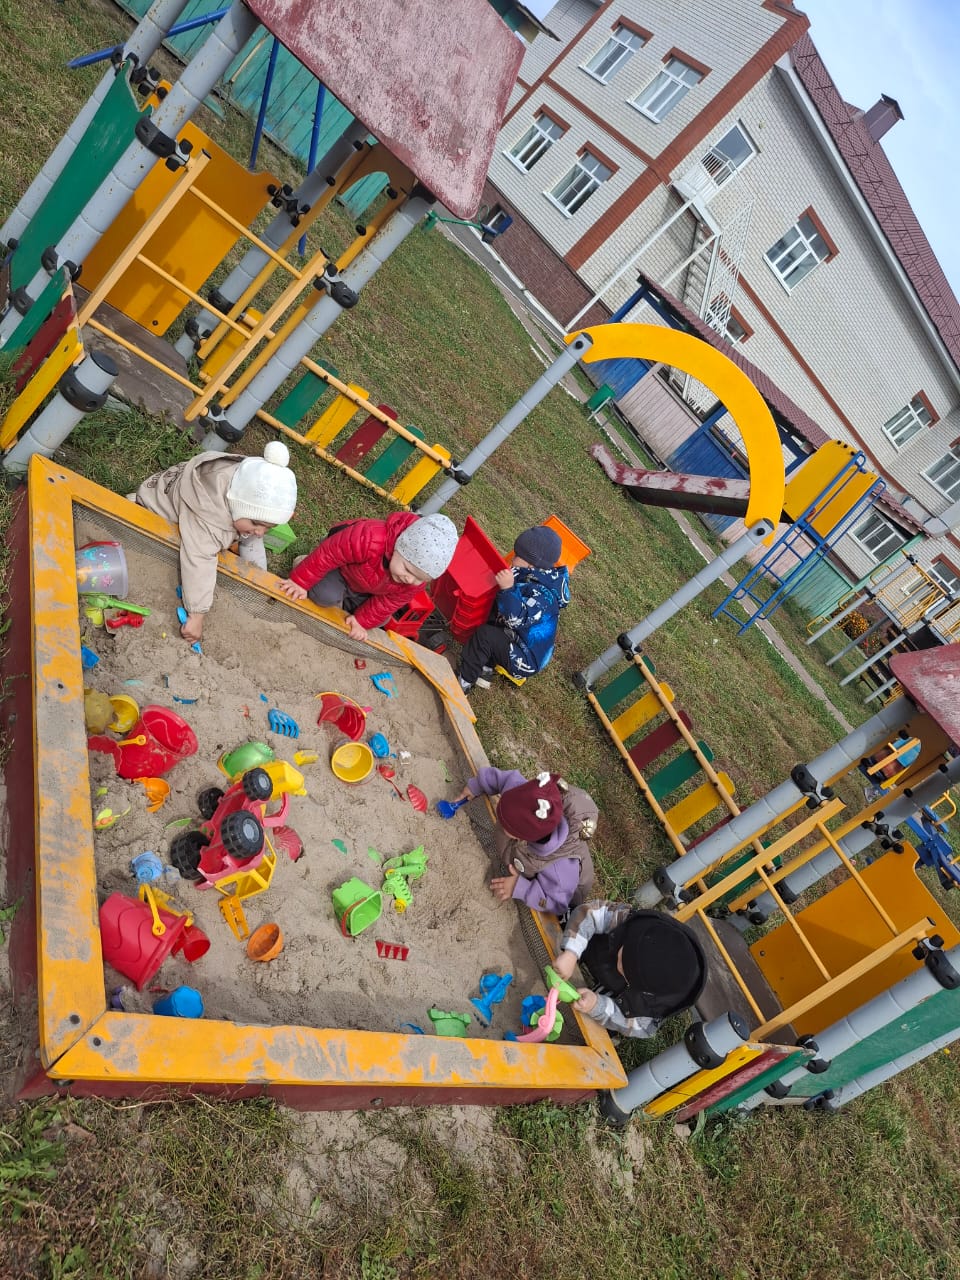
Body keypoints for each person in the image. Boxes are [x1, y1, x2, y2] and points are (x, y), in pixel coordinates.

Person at [131, 440, 297, 645]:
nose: (261, 532)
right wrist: (196, 615)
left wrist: (259, 579)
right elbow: (199, 562)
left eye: (268, 528)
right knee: (194, 551)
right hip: (155, 509)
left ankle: (256, 584)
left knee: (250, 536)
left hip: (181, 493)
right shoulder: (208, 519)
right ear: (238, 506)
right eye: (257, 524)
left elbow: (254, 530)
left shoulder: (245, 479)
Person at [278, 512, 458, 642]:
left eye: (419, 579)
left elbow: (388, 603)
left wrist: (360, 621)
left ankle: (345, 604)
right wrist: (300, 582)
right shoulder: (371, 537)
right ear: (399, 547)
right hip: (342, 571)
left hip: (369, 588)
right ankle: (303, 563)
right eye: (407, 570)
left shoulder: (413, 580)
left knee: (382, 618)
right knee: (323, 596)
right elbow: (329, 554)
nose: (410, 580)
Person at [450, 766, 597, 915]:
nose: (500, 817)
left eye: (506, 823)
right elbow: (505, 779)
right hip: (526, 858)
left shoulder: (558, 872)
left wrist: (520, 887)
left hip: (557, 892)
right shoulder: (523, 799)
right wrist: (476, 786)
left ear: (522, 837)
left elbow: (557, 902)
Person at [551, 902, 707, 1039]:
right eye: (623, 954)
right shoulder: (632, 922)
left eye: (624, 970)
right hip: (603, 947)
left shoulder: (651, 1005)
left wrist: (597, 1006)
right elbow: (590, 912)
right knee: (572, 923)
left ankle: (601, 996)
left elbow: (637, 1026)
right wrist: (571, 952)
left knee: (605, 1016)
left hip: (623, 990)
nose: (618, 964)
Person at [457, 525, 570, 693]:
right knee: (495, 612)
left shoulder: (543, 596)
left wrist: (508, 589)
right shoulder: (532, 576)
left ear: (531, 564)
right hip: (517, 638)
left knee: (485, 636)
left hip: (526, 657)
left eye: (517, 556)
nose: (513, 559)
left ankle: (463, 683)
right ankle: (485, 670)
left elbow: (516, 619)